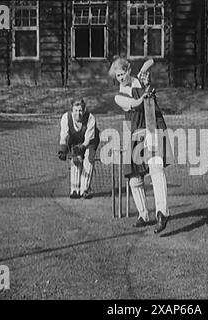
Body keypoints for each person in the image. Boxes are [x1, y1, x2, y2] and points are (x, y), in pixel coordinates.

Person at [108, 57, 172, 234]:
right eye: (117, 75)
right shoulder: (119, 96)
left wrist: (146, 71)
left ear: (129, 70)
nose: (120, 77)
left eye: (123, 73)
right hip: (136, 133)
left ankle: (162, 213)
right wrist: (143, 96)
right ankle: (143, 215)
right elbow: (135, 105)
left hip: (152, 127)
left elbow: (150, 61)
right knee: (134, 178)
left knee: (156, 169)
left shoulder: (140, 79)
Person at [58, 99, 100, 199]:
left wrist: (81, 148)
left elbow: (87, 140)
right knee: (75, 159)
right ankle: (74, 190)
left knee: (89, 159)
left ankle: (85, 189)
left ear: (84, 110)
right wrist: (63, 150)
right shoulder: (66, 118)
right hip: (75, 139)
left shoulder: (90, 118)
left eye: (80, 110)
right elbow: (64, 136)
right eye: (76, 110)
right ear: (72, 111)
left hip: (90, 141)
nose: (78, 113)